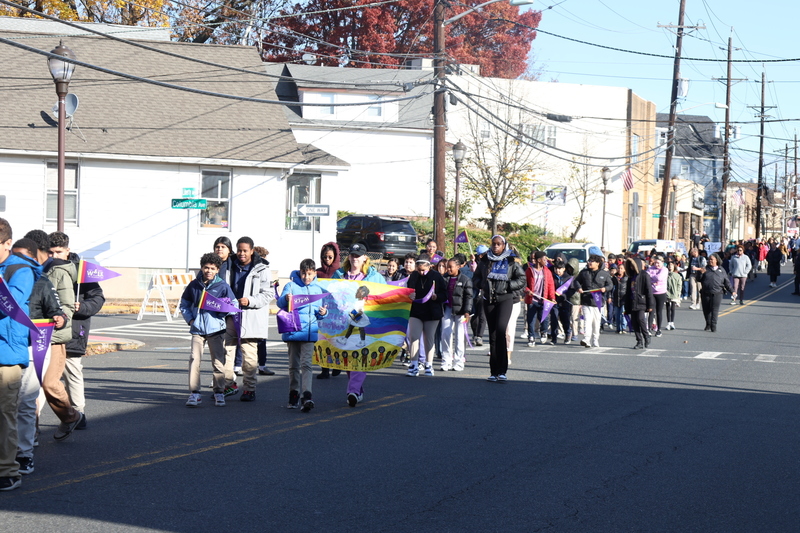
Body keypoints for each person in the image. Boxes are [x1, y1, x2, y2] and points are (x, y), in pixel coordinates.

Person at [10, 238, 66, 478]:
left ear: (32, 256)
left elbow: (56, 310)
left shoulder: (40, 281)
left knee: (25, 402)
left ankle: (24, 453)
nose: (16, 261)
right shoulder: (4, 278)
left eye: (22, 256)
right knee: (7, 405)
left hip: (34, 348)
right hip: (8, 346)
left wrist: (59, 318)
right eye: (13, 256)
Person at [0, 219, 34, 491]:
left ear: (8, 243)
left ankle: (8, 471)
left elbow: (8, 306)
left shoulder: (19, 270)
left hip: (6, 354)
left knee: (3, 414)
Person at [179, 253, 238, 407]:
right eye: (206, 267)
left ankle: (219, 392)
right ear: (202, 267)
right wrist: (191, 320)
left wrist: (223, 311)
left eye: (212, 268)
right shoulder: (194, 285)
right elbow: (184, 304)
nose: (209, 271)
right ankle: (194, 393)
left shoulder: (223, 286)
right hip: (197, 329)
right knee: (194, 360)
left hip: (216, 330)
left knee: (218, 361)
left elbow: (234, 305)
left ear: (218, 269)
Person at [332, 243, 385, 406]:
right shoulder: (339, 274)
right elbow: (329, 293)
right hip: (344, 321)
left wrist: (406, 295)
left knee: (359, 356)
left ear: (364, 258)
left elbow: (388, 293)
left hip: (365, 321)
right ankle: (358, 391)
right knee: (348, 358)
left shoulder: (374, 277)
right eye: (353, 255)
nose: (355, 258)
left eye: (358, 255)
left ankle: (353, 391)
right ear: (349, 257)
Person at [44, 232, 83, 440]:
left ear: (67, 251)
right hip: (37, 333)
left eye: (58, 251)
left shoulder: (65, 271)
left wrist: (65, 317)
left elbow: (66, 304)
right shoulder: (41, 269)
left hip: (57, 335)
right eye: (50, 252)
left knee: (52, 382)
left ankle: (71, 415)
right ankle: (28, 437)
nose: (54, 255)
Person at [224, 237, 273, 402]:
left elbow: (268, 294)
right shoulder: (229, 265)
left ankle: (249, 389)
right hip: (231, 314)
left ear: (252, 251)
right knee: (226, 353)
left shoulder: (262, 268)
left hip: (250, 316)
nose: (241, 254)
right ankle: (229, 385)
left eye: (245, 250)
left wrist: (249, 300)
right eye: (239, 250)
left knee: (249, 356)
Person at [471, 235, 525, 383]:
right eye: (493, 244)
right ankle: (494, 371)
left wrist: (507, 285)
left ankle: (502, 370)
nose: (495, 247)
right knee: (493, 335)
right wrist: (482, 285)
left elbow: (521, 279)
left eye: (499, 244)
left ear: (504, 245)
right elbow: (475, 278)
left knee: (501, 331)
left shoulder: (511, 260)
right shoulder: (484, 260)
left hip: (505, 299)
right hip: (489, 300)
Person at [278, 259, 328, 412]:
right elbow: (280, 303)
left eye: (310, 274)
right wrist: (286, 299)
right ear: (299, 272)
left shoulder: (318, 289)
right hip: (293, 331)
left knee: (306, 365)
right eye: (304, 273)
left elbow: (321, 312)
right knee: (293, 366)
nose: (306, 277)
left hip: (309, 332)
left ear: (314, 273)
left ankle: (307, 396)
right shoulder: (291, 285)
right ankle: (293, 394)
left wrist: (323, 313)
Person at [63, 249, 104, 430]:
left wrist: (82, 306)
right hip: (49, 331)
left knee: (72, 372)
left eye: (58, 252)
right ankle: (34, 420)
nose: (54, 255)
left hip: (75, 330)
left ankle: (78, 413)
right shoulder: (46, 270)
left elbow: (98, 298)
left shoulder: (83, 275)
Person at [405, 254, 446, 377]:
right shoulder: (413, 276)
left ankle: (429, 364)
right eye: (419, 270)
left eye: (424, 270)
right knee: (414, 337)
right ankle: (414, 365)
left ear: (430, 266)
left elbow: (444, 295)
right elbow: (408, 290)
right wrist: (409, 295)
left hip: (432, 312)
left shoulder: (437, 276)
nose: (422, 272)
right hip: (416, 311)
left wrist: (437, 296)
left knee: (429, 339)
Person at [572, 254, 613, 348]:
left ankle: (595, 340)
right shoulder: (584, 272)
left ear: (598, 263)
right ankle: (586, 339)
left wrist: (605, 289)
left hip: (598, 302)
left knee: (596, 322)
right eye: (589, 261)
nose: (589, 263)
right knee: (587, 321)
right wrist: (579, 288)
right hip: (586, 301)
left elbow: (610, 285)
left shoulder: (604, 274)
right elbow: (576, 281)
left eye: (592, 261)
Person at [440, 258, 472, 372]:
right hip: (447, 309)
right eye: (447, 267)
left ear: (458, 267)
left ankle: (458, 362)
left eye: (450, 267)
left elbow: (469, 297)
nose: (448, 269)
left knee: (459, 337)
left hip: (461, 312)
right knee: (446, 334)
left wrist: (467, 311)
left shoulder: (465, 280)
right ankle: (446, 361)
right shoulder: (444, 278)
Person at [316, 242, 341, 380]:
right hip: (322, 311)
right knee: (322, 341)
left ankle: (337, 365)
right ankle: (324, 369)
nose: (327, 260)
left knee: (335, 340)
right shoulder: (317, 272)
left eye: (330, 257)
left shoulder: (339, 273)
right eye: (325, 257)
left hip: (336, 312)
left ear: (335, 257)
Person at [524, 251, 555, 347]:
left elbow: (550, 285)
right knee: (531, 320)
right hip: (532, 299)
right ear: (538, 260)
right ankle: (531, 337)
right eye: (544, 259)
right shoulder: (529, 271)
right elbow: (524, 284)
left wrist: (552, 298)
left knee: (544, 318)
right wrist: (527, 290)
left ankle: (544, 332)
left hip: (543, 299)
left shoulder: (547, 271)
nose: (546, 261)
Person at [624, 256, 654, 349]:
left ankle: (646, 336)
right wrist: (626, 306)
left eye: (633, 265)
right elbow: (628, 292)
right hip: (633, 302)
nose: (632, 267)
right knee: (634, 322)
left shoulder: (645, 275)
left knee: (640, 319)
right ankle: (639, 341)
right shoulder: (631, 277)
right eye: (630, 266)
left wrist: (650, 304)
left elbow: (649, 290)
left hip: (642, 302)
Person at [698, 253, 732, 332]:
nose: (710, 261)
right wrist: (700, 273)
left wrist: (732, 291)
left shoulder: (721, 270)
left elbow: (726, 282)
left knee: (714, 310)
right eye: (709, 259)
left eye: (711, 259)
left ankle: (713, 325)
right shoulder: (705, 268)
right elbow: (698, 279)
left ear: (716, 260)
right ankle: (708, 323)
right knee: (706, 310)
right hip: (705, 293)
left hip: (717, 293)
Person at [549, 258, 574, 344]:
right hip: (554, 301)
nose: (557, 270)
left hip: (565, 302)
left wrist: (565, 296)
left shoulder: (568, 278)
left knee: (565, 319)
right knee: (554, 319)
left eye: (559, 268)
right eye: (556, 268)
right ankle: (553, 337)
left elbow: (572, 290)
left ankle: (567, 334)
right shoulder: (551, 277)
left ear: (564, 269)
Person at [470, 244, 489, 346]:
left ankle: (479, 336)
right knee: (474, 315)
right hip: (474, 292)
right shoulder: (473, 264)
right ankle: (475, 334)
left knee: (482, 315)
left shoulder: (489, 263)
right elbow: (474, 277)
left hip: (484, 292)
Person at [646, 255, 668, 337]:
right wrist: (652, 279)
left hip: (661, 293)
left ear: (662, 263)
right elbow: (646, 277)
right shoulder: (650, 268)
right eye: (655, 263)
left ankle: (659, 329)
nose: (656, 265)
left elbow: (659, 278)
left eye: (658, 263)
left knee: (659, 311)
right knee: (651, 310)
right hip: (652, 293)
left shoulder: (664, 270)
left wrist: (652, 278)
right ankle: (649, 329)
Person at [608, 261, 628, 334]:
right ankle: (618, 328)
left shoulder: (626, 278)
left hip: (624, 298)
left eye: (621, 268)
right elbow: (610, 288)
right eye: (619, 268)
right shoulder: (614, 278)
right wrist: (609, 297)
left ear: (624, 269)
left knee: (623, 314)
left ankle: (624, 328)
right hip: (616, 298)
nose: (620, 270)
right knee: (617, 314)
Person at [665, 261, 682, 330]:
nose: (670, 266)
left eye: (671, 265)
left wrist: (678, 292)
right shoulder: (665, 274)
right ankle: (668, 322)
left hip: (674, 293)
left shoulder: (677, 275)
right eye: (669, 265)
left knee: (673, 307)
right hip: (666, 293)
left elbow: (679, 285)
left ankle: (672, 322)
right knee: (668, 307)